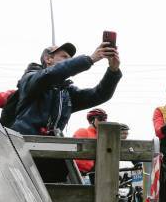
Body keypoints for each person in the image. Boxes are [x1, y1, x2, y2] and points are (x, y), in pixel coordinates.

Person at [9, 40, 122, 182]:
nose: (70, 61)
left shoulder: (66, 92)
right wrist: (90, 59)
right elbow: (49, 76)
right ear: (48, 59)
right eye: (64, 57)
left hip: (50, 155)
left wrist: (113, 71)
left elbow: (98, 94)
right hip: (22, 150)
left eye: (71, 59)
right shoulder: (31, 78)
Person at [72, 108, 108, 178]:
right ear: (92, 120)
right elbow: (75, 154)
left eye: (105, 118)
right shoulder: (83, 131)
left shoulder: (102, 136)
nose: (104, 121)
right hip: (81, 173)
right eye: (100, 118)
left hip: (96, 173)